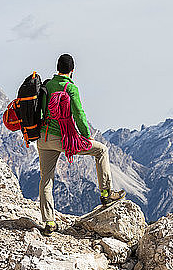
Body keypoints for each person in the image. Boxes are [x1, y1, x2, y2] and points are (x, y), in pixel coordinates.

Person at [37, 53, 126, 236]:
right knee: (101, 150)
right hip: (64, 139)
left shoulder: (47, 85)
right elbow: (79, 114)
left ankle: (49, 222)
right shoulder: (71, 88)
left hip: (43, 138)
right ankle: (106, 194)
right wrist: (87, 136)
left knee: (46, 179)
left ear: (57, 68)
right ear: (72, 70)